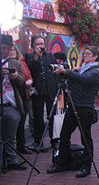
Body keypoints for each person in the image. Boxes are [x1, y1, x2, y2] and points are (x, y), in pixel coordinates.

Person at [47, 46, 99, 178]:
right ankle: (62, 163)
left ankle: (86, 167)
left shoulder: (95, 71)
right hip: (73, 106)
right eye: (85, 54)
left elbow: (84, 80)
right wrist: (66, 73)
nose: (85, 56)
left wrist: (68, 72)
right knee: (64, 135)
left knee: (85, 138)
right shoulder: (81, 69)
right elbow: (71, 83)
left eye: (88, 54)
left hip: (85, 108)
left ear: (95, 57)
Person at [25, 34, 60, 152]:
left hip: (50, 91)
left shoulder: (50, 56)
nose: (40, 46)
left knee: (52, 117)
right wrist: (36, 56)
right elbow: (30, 70)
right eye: (37, 44)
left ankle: (54, 140)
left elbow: (56, 71)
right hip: (37, 92)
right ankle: (38, 141)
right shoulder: (29, 57)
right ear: (33, 45)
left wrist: (58, 90)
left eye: (42, 44)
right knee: (38, 118)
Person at [0, 35, 27, 171]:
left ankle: (11, 160)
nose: (5, 51)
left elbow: (23, 83)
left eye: (8, 49)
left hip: (11, 104)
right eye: (3, 48)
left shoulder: (15, 63)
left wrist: (16, 77)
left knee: (11, 135)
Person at [9, 46, 33, 155]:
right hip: (13, 96)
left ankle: (21, 145)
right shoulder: (6, 64)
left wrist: (29, 81)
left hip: (24, 95)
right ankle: (12, 149)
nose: (11, 52)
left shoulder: (21, 63)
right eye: (9, 50)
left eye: (13, 50)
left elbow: (27, 77)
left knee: (22, 121)